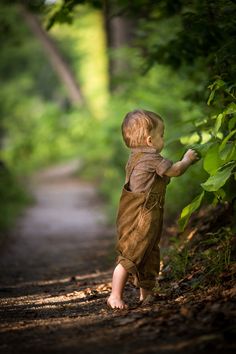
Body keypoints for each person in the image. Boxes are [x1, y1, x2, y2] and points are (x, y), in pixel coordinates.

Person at [107, 109, 199, 309]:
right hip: (140, 216)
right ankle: (114, 295)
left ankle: (146, 295)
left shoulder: (135, 157)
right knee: (130, 255)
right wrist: (187, 160)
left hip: (148, 215)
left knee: (149, 254)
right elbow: (174, 171)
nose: (163, 139)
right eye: (161, 135)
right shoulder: (150, 159)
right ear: (150, 140)